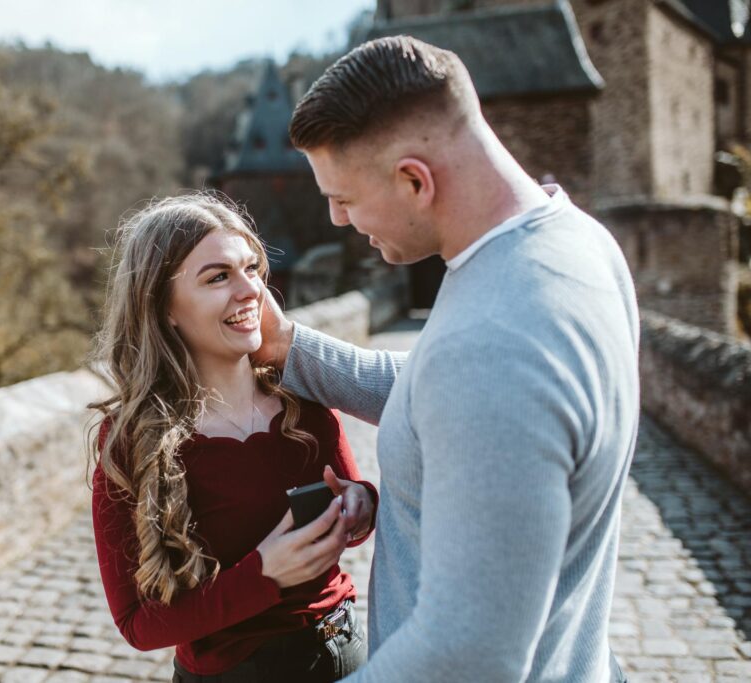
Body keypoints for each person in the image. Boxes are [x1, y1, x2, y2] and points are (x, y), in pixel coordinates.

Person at [252, 36, 639, 682]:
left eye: (343, 197)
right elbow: (435, 390)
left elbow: (468, 656)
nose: (337, 218)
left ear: (414, 180)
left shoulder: (494, 344)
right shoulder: (575, 240)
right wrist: (290, 347)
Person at [88, 193, 379, 682]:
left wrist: (362, 504)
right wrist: (263, 575)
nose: (251, 291)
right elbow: (138, 623)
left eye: (251, 269)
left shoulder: (304, 401)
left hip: (350, 655)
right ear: (163, 307)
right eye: (218, 277)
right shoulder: (133, 440)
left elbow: (353, 514)